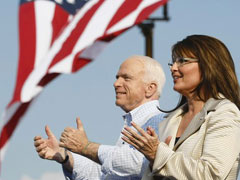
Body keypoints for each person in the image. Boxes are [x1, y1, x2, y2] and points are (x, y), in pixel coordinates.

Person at [122, 35, 240, 180]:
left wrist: (158, 155)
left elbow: (212, 174)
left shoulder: (224, 113)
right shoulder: (171, 120)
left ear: (208, 65)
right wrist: (153, 164)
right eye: (173, 62)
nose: (173, 68)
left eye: (182, 61)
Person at [34, 55, 166, 179]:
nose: (116, 83)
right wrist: (65, 156)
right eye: (117, 77)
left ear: (150, 88)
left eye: (126, 78)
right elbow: (105, 174)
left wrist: (85, 146)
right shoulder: (134, 123)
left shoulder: (160, 121)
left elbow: (137, 164)